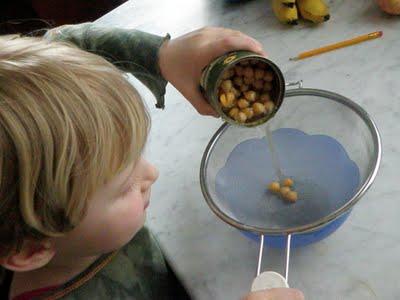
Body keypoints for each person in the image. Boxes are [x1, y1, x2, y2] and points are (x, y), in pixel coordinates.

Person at [0, 23, 304, 299]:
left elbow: (64, 42)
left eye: (136, 158)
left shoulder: (75, 237)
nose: (152, 173)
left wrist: (162, 54)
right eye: (122, 187)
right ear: (31, 250)